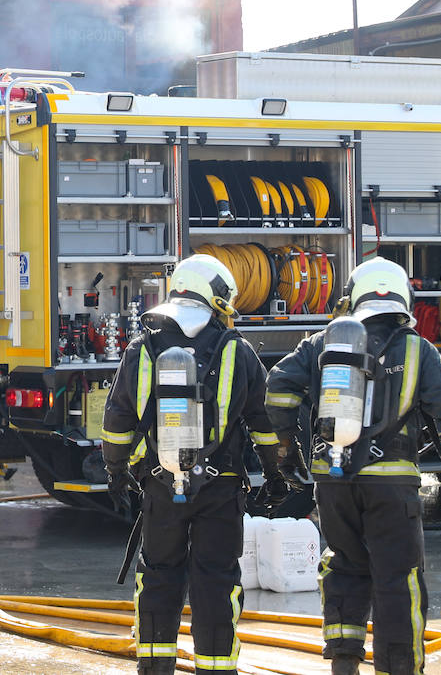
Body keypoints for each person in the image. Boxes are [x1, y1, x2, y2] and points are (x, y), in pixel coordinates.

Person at [265, 257, 441, 675]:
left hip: (333, 479)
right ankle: (398, 668)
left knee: (344, 564)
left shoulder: (321, 344)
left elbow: (277, 388)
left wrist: (287, 445)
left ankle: (344, 661)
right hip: (392, 486)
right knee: (398, 577)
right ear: (403, 298)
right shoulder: (417, 349)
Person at [102, 254, 288, 675]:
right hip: (220, 490)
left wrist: (116, 472)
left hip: (160, 486)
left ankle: (154, 668)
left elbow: (117, 422)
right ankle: (216, 669)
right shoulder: (237, 351)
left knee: (159, 577)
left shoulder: (141, 349)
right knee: (216, 582)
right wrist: (275, 475)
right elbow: (264, 422)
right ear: (217, 297)